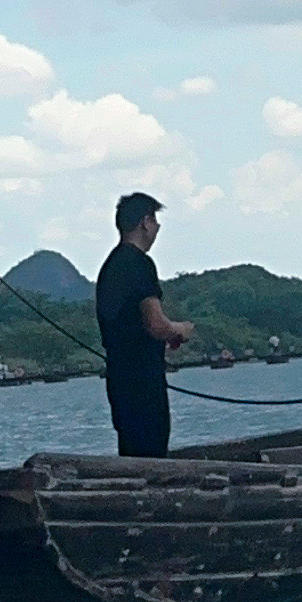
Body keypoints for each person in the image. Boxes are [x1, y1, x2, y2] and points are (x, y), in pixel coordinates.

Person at [95, 191, 191, 457]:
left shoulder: (110, 267)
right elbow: (155, 323)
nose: (157, 229)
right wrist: (180, 330)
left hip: (119, 379)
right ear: (145, 222)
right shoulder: (139, 264)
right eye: (156, 222)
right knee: (152, 454)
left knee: (131, 452)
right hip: (143, 382)